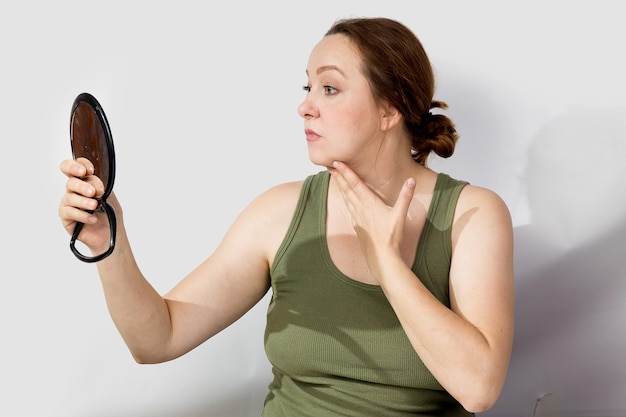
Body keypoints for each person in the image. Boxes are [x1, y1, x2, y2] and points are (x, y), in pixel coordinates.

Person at [59, 17, 514, 417]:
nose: (306, 106)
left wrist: (389, 265)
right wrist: (107, 242)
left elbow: (478, 390)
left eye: (330, 88)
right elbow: (158, 339)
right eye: (308, 88)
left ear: (389, 108)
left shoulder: (472, 215)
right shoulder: (278, 213)